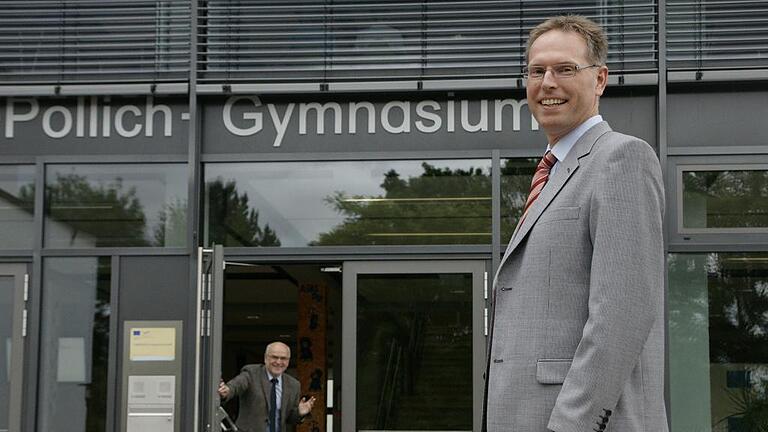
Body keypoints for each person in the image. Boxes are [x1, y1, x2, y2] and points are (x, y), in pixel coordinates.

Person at [483, 15, 668, 432]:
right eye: (536, 71)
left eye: (565, 69)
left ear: (600, 79)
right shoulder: (553, 173)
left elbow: (621, 316)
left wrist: (572, 426)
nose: (547, 82)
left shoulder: (621, 159)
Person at [219, 341, 316, 432]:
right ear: (265, 358)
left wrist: (299, 413)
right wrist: (227, 390)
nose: (278, 362)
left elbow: (289, 418)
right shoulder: (251, 373)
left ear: (288, 361)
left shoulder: (294, 385)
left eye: (283, 358)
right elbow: (237, 385)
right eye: (274, 357)